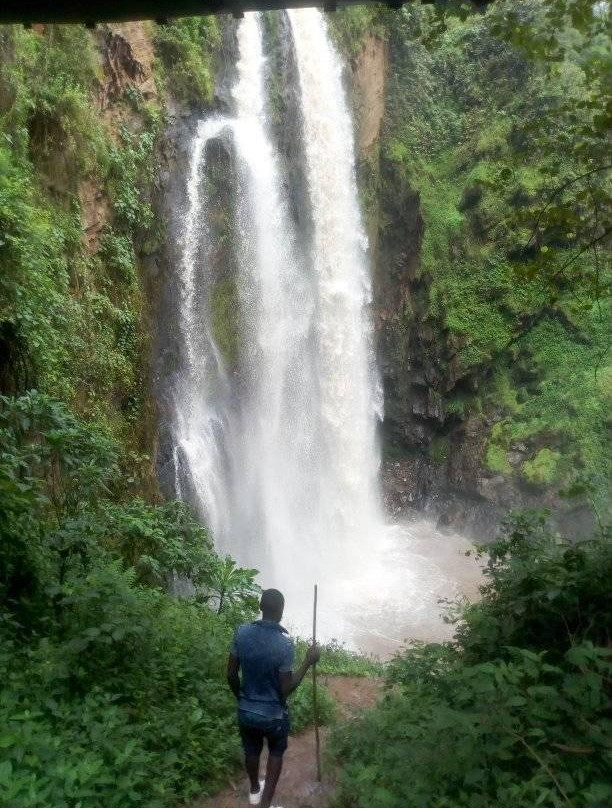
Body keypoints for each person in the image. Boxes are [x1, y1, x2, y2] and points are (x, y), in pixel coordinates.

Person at [227, 588, 321, 808]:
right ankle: (265, 804)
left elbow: (231, 674)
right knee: (276, 752)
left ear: (260, 607)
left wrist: (241, 697)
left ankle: (254, 790)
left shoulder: (241, 633)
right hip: (274, 716)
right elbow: (286, 688)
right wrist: (307, 662)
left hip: (246, 710)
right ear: (281, 611)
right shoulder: (285, 644)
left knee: (251, 749)